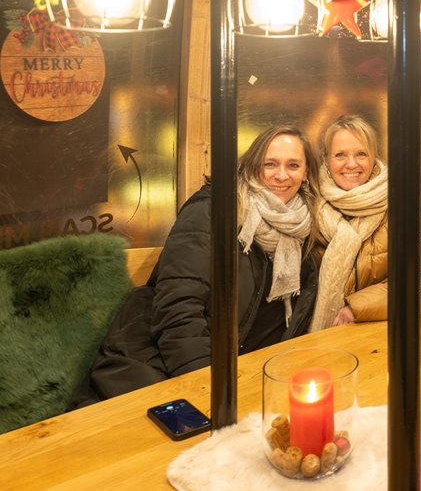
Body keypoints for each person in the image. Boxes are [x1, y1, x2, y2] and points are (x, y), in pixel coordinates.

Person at [73, 126, 320, 405]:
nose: (281, 175)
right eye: (270, 164)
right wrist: (207, 387)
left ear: (307, 172)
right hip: (155, 369)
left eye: (293, 165)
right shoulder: (214, 211)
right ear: (252, 167)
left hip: (237, 379)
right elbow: (178, 308)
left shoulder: (303, 228)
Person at [311, 114, 421, 330]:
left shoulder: (401, 203)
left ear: (374, 157)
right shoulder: (310, 203)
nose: (351, 164)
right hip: (310, 342)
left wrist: (358, 307)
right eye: (340, 155)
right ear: (326, 160)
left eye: (361, 154)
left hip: (376, 337)